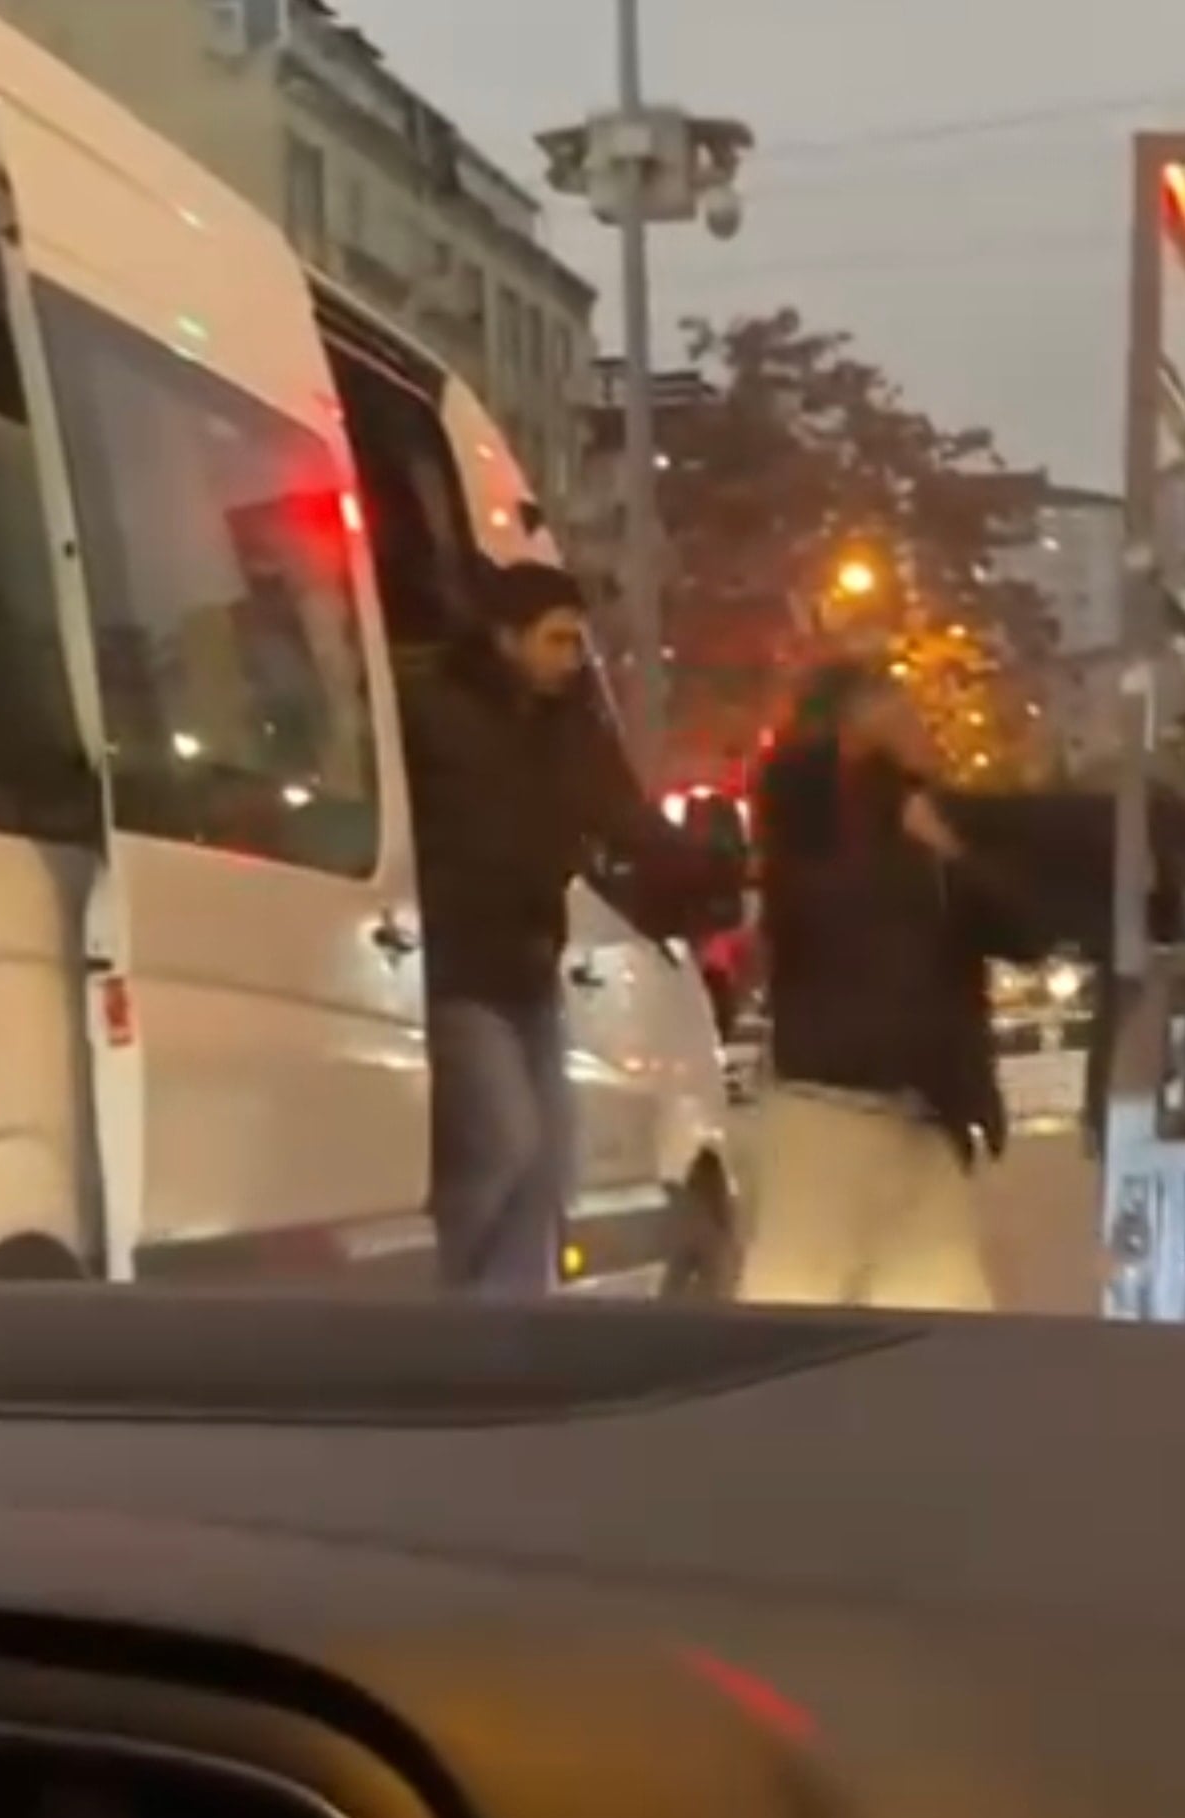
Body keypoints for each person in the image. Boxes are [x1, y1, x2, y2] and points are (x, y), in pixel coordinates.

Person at [399, 559, 729, 1297]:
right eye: (557, 639)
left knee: (548, 1162)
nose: (573, 658)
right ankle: (455, 1296)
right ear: (505, 637)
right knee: (504, 1140)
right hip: (457, 967)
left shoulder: (570, 727)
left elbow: (621, 815)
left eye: (578, 641)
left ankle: (515, 1320)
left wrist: (701, 868)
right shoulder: (436, 712)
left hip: (530, 968)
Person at [744, 659, 1050, 1311]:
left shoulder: (929, 831)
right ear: (855, 730)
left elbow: (1024, 934)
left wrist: (952, 852)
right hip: (827, 1112)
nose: (921, 727)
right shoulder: (808, 819)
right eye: (901, 712)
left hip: (924, 1115)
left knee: (944, 1320)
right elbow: (816, 897)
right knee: (799, 1307)